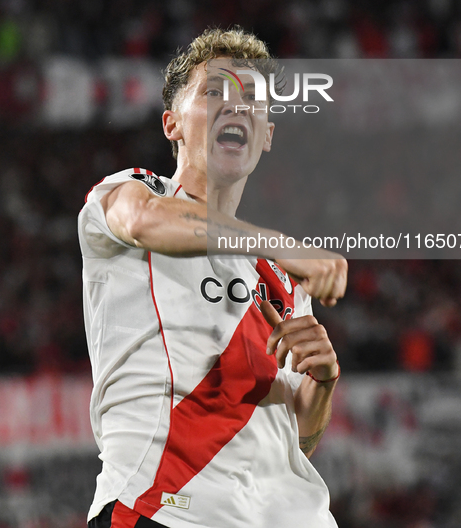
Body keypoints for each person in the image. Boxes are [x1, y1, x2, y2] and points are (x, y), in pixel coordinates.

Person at [79, 28, 347, 528]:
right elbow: (142, 221)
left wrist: (321, 381)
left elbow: (300, 437)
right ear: (172, 124)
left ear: (267, 134)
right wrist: (277, 243)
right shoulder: (129, 194)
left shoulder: (285, 280)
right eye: (214, 92)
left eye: (251, 99)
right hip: (167, 511)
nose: (236, 106)